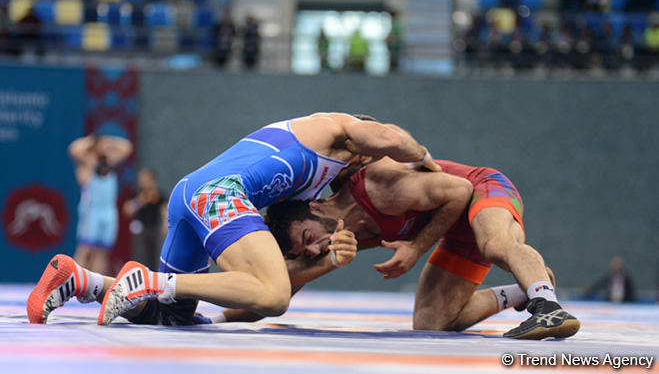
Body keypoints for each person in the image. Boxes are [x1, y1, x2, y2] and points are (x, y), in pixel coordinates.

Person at [28, 113, 440, 326]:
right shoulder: (337, 128)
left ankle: (81, 280)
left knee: (173, 315)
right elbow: (390, 137)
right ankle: (149, 281)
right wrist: (426, 162)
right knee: (274, 296)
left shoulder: (310, 189)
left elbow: (274, 279)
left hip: (190, 194)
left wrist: (328, 259)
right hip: (219, 194)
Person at [240, 155, 580, 340]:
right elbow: (283, 287)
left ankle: (549, 307)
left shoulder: (377, 186)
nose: (316, 250)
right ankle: (526, 288)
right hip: (453, 224)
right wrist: (221, 314)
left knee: (495, 245)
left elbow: (460, 191)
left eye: (307, 239)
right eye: (306, 253)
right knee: (432, 323)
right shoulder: (339, 236)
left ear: (315, 207)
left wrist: (416, 248)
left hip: (480, 190)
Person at [68, 134, 133, 275]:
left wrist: (109, 141)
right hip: (91, 211)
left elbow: (127, 148)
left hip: (109, 212)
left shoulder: (109, 162)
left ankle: (96, 283)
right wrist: (92, 140)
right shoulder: (87, 164)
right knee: (85, 248)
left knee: (102, 251)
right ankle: (74, 280)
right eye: (101, 144)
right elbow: (73, 149)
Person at [123, 168, 167, 271]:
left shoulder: (158, 194)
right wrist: (140, 201)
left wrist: (165, 225)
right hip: (140, 230)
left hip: (154, 229)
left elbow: (165, 209)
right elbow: (127, 210)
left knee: (154, 256)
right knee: (140, 256)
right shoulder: (136, 193)